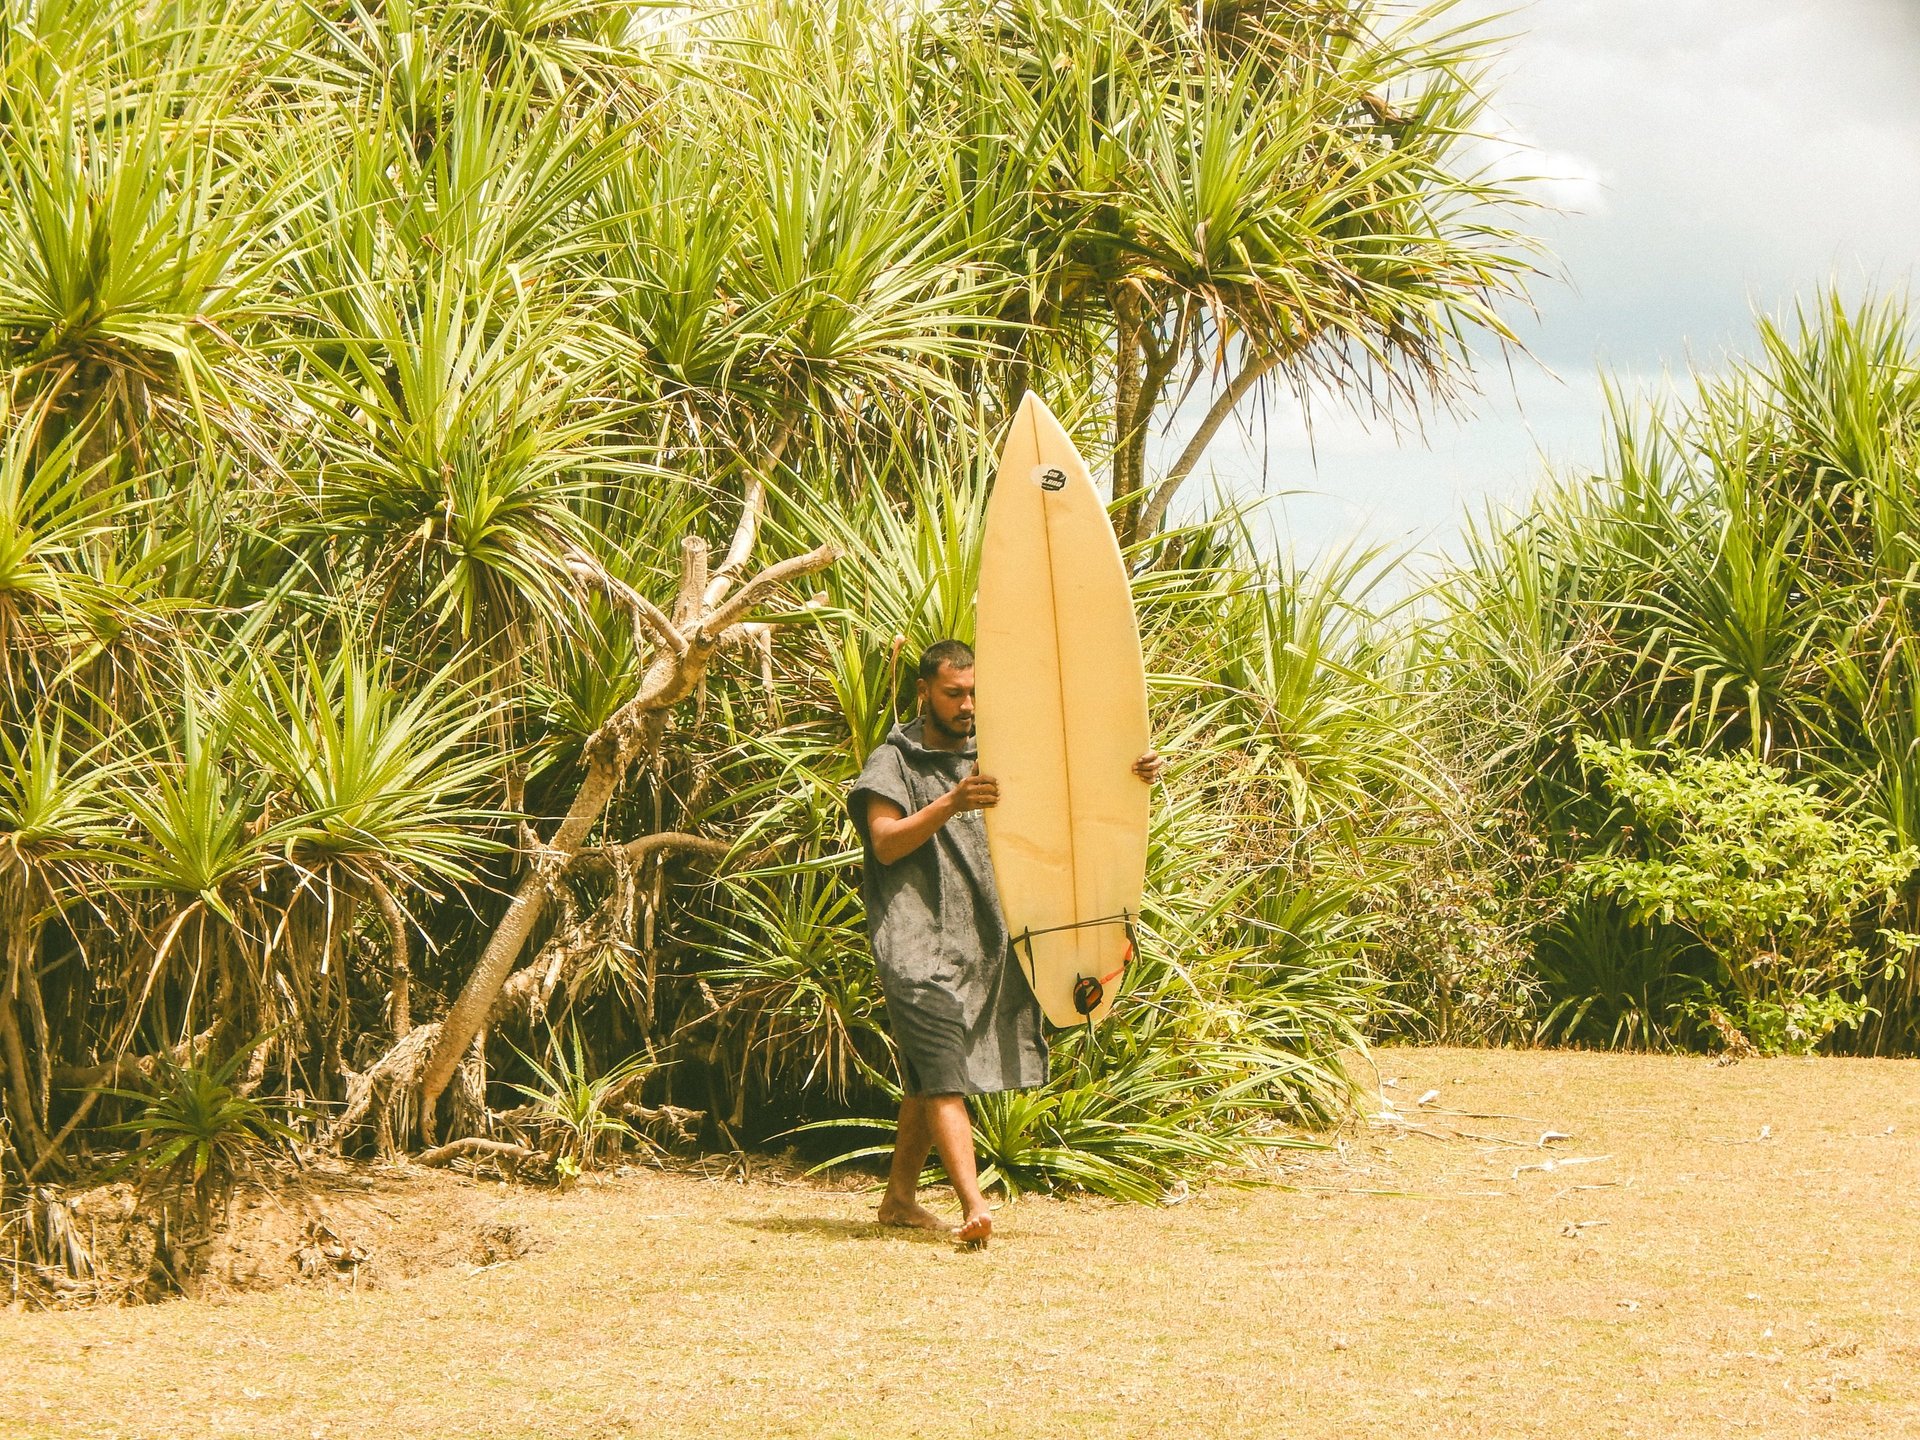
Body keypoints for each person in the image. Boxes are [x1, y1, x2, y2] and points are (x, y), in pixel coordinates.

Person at [848, 638, 1162, 1247]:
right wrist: (951, 802)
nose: (967, 705)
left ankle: (899, 1200)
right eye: (953, 694)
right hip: (914, 941)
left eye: (974, 693)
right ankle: (974, 1204)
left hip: (983, 943)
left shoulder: (1001, 754)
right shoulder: (894, 760)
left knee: (926, 1071)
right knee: (944, 1071)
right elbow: (885, 842)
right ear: (924, 692)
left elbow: (1072, 793)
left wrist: (1133, 770)